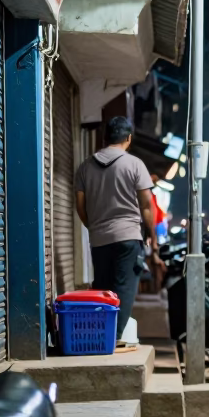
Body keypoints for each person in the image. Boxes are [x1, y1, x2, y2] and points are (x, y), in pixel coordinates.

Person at [74, 116, 163, 348]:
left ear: (105, 138)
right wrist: (150, 233)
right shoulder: (135, 164)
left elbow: (80, 206)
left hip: (99, 239)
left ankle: (100, 337)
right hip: (128, 236)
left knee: (102, 288)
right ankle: (114, 338)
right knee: (124, 287)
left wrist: (94, 226)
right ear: (128, 138)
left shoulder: (85, 166)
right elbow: (146, 205)